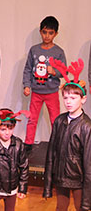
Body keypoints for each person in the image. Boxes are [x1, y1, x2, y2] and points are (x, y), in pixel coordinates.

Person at [43, 59, 91, 210]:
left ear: (83, 99)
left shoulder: (86, 126)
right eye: (65, 97)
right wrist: (48, 185)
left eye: (73, 97)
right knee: (60, 208)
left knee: (80, 208)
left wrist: (87, 200)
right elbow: (51, 154)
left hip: (79, 180)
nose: (68, 102)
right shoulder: (59, 121)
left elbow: (89, 164)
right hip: (61, 177)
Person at [22, 16, 65, 153]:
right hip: (36, 91)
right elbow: (28, 68)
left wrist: (54, 71)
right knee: (32, 118)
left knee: (55, 120)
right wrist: (27, 85)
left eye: (50, 33)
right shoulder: (34, 50)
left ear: (55, 34)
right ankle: (28, 143)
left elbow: (64, 71)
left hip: (51, 91)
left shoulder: (59, 52)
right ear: (41, 32)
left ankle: (57, 145)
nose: (47, 36)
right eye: (45, 32)